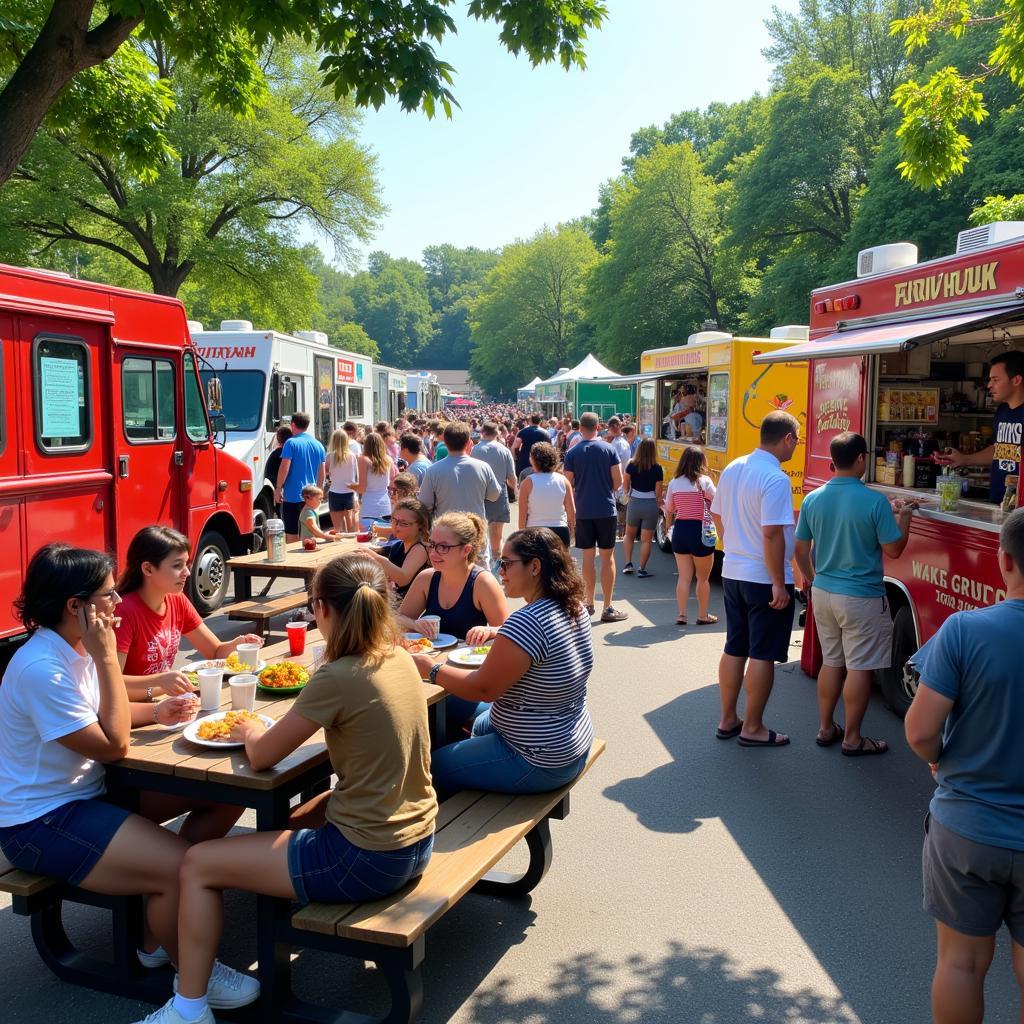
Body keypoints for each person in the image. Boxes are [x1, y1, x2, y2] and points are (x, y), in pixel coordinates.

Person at [158, 554, 437, 1024]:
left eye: (312, 606)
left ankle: (189, 1009)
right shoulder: (400, 659)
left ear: (324, 610)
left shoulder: (337, 675)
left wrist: (248, 730)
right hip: (417, 842)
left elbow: (264, 755)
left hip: (367, 859)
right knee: (296, 820)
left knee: (197, 862)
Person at [0, 544, 258, 1020]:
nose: (119, 602)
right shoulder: (43, 668)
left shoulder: (70, 648)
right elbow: (113, 744)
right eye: (107, 595)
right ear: (74, 606)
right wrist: (105, 659)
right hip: (42, 821)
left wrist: (157, 711)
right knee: (185, 867)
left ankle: (160, 939)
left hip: (92, 794)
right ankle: (191, 995)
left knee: (225, 794)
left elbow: (105, 717)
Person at [904, 508, 1024, 1024]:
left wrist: (939, 762)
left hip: (968, 828)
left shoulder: (962, 631)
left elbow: (920, 731)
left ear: (1004, 561)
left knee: (961, 964)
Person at [413, 528, 594, 797]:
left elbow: (483, 689)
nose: (500, 571)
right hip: (570, 739)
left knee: (431, 768)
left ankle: (449, 829)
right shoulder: (572, 606)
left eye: (507, 563)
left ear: (534, 567)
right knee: (462, 716)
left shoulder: (527, 622)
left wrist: (431, 668)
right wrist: (499, 631)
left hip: (535, 758)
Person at [794, 431, 915, 756]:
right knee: (859, 667)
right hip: (861, 597)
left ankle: (825, 727)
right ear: (861, 459)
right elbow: (894, 550)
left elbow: (801, 549)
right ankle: (852, 738)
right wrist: (904, 518)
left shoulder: (813, 499)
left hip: (824, 592)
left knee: (832, 662)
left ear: (833, 461)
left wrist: (813, 580)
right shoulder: (874, 501)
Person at [710, 411, 800, 747]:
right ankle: (753, 727)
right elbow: (773, 534)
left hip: (734, 569)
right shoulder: (775, 478)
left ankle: (728, 717)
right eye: (797, 439)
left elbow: (717, 513)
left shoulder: (734, 467)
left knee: (735, 646)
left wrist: (731, 542)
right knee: (763, 653)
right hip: (763, 576)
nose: (797, 446)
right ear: (787, 438)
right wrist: (779, 581)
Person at [115, 527, 263, 704]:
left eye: (187, 564)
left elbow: (215, 652)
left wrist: (237, 644)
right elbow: (111, 686)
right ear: (148, 568)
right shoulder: (123, 612)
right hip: (132, 712)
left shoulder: (177, 600)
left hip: (165, 702)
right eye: (177, 566)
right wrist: (160, 684)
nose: (187, 572)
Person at [397, 512, 507, 645]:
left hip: (467, 661)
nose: (433, 553)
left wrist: (490, 631)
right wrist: (414, 624)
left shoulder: (483, 582)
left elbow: (508, 632)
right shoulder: (426, 578)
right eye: (432, 544)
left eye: (443, 547)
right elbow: (397, 619)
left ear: (466, 550)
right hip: (430, 658)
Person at [562, 411, 627, 623]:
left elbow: (567, 484)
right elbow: (617, 482)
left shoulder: (572, 453)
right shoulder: (609, 449)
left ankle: (589, 602)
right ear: (598, 427)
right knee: (607, 558)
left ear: (580, 428)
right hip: (606, 509)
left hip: (583, 510)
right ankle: (607, 606)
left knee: (588, 558)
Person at [935, 350, 1024, 503]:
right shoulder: (1002, 411)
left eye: (996, 380)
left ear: (1016, 380)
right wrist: (964, 459)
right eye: (990, 380)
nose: (990, 385)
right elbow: (999, 449)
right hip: (999, 499)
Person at [418, 424, 502, 561]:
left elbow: (424, 504)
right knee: (478, 574)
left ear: (445, 442)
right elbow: (494, 495)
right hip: (475, 531)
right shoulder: (483, 467)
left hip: (445, 534)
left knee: (446, 574)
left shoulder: (433, 470)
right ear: (469, 443)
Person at [663, 446, 718, 626]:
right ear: (701, 461)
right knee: (702, 579)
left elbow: (669, 509)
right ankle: (703, 615)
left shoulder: (674, 482)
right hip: (700, 531)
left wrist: (668, 526)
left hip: (681, 530)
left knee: (684, 577)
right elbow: (718, 504)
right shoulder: (705, 481)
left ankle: (681, 614)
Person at [362, 497, 431, 599]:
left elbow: (403, 578)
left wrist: (375, 557)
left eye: (404, 523)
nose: (396, 527)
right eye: (394, 521)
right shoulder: (397, 546)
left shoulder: (420, 548)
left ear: (420, 525)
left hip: (410, 606)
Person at [274, 412, 326, 543]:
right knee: (309, 533)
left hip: (293, 496)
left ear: (293, 425)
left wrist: (278, 488)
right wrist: (319, 493)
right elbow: (322, 473)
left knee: (292, 534)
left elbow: (284, 467)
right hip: (311, 497)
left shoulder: (291, 443)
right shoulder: (318, 445)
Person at [473, 421, 518, 562]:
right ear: (497, 433)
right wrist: (515, 492)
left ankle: (481, 560)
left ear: (483, 433)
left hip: (478, 493)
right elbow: (512, 477)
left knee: (477, 530)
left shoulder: (475, 450)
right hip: (498, 492)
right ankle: (496, 560)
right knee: (496, 533)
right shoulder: (503, 450)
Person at [621, 438, 664, 578]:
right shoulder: (657, 468)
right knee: (646, 540)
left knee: (629, 534)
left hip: (634, 502)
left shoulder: (631, 464)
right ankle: (641, 568)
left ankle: (628, 563)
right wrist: (660, 501)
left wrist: (627, 493)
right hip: (650, 504)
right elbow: (658, 492)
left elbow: (625, 482)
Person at [518, 442, 575, 547]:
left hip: (535, 530)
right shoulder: (564, 480)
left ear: (533, 460)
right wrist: (571, 529)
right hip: (560, 530)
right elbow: (571, 512)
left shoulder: (527, 482)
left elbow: (522, 515)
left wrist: (521, 535)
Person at [354, 432, 397, 529]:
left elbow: (362, 488)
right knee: (384, 540)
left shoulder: (363, 460)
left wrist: (350, 486)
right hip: (385, 506)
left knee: (366, 541)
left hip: (369, 507)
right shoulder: (388, 460)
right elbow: (391, 481)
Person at [325, 427, 359, 533]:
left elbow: (327, 473)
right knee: (352, 529)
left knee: (337, 530)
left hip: (335, 493)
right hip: (349, 493)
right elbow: (357, 475)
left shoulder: (329, 456)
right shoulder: (352, 456)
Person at [262, 425, 293, 514]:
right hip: (288, 494)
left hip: (278, 493)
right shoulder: (288, 454)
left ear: (278, 439)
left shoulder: (273, 455)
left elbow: (269, 475)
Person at [513, 412, 551, 477]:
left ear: (530, 421)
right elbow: (549, 447)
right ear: (540, 421)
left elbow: (516, 446)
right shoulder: (546, 433)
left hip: (524, 461)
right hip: (541, 462)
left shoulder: (523, 431)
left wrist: (518, 457)